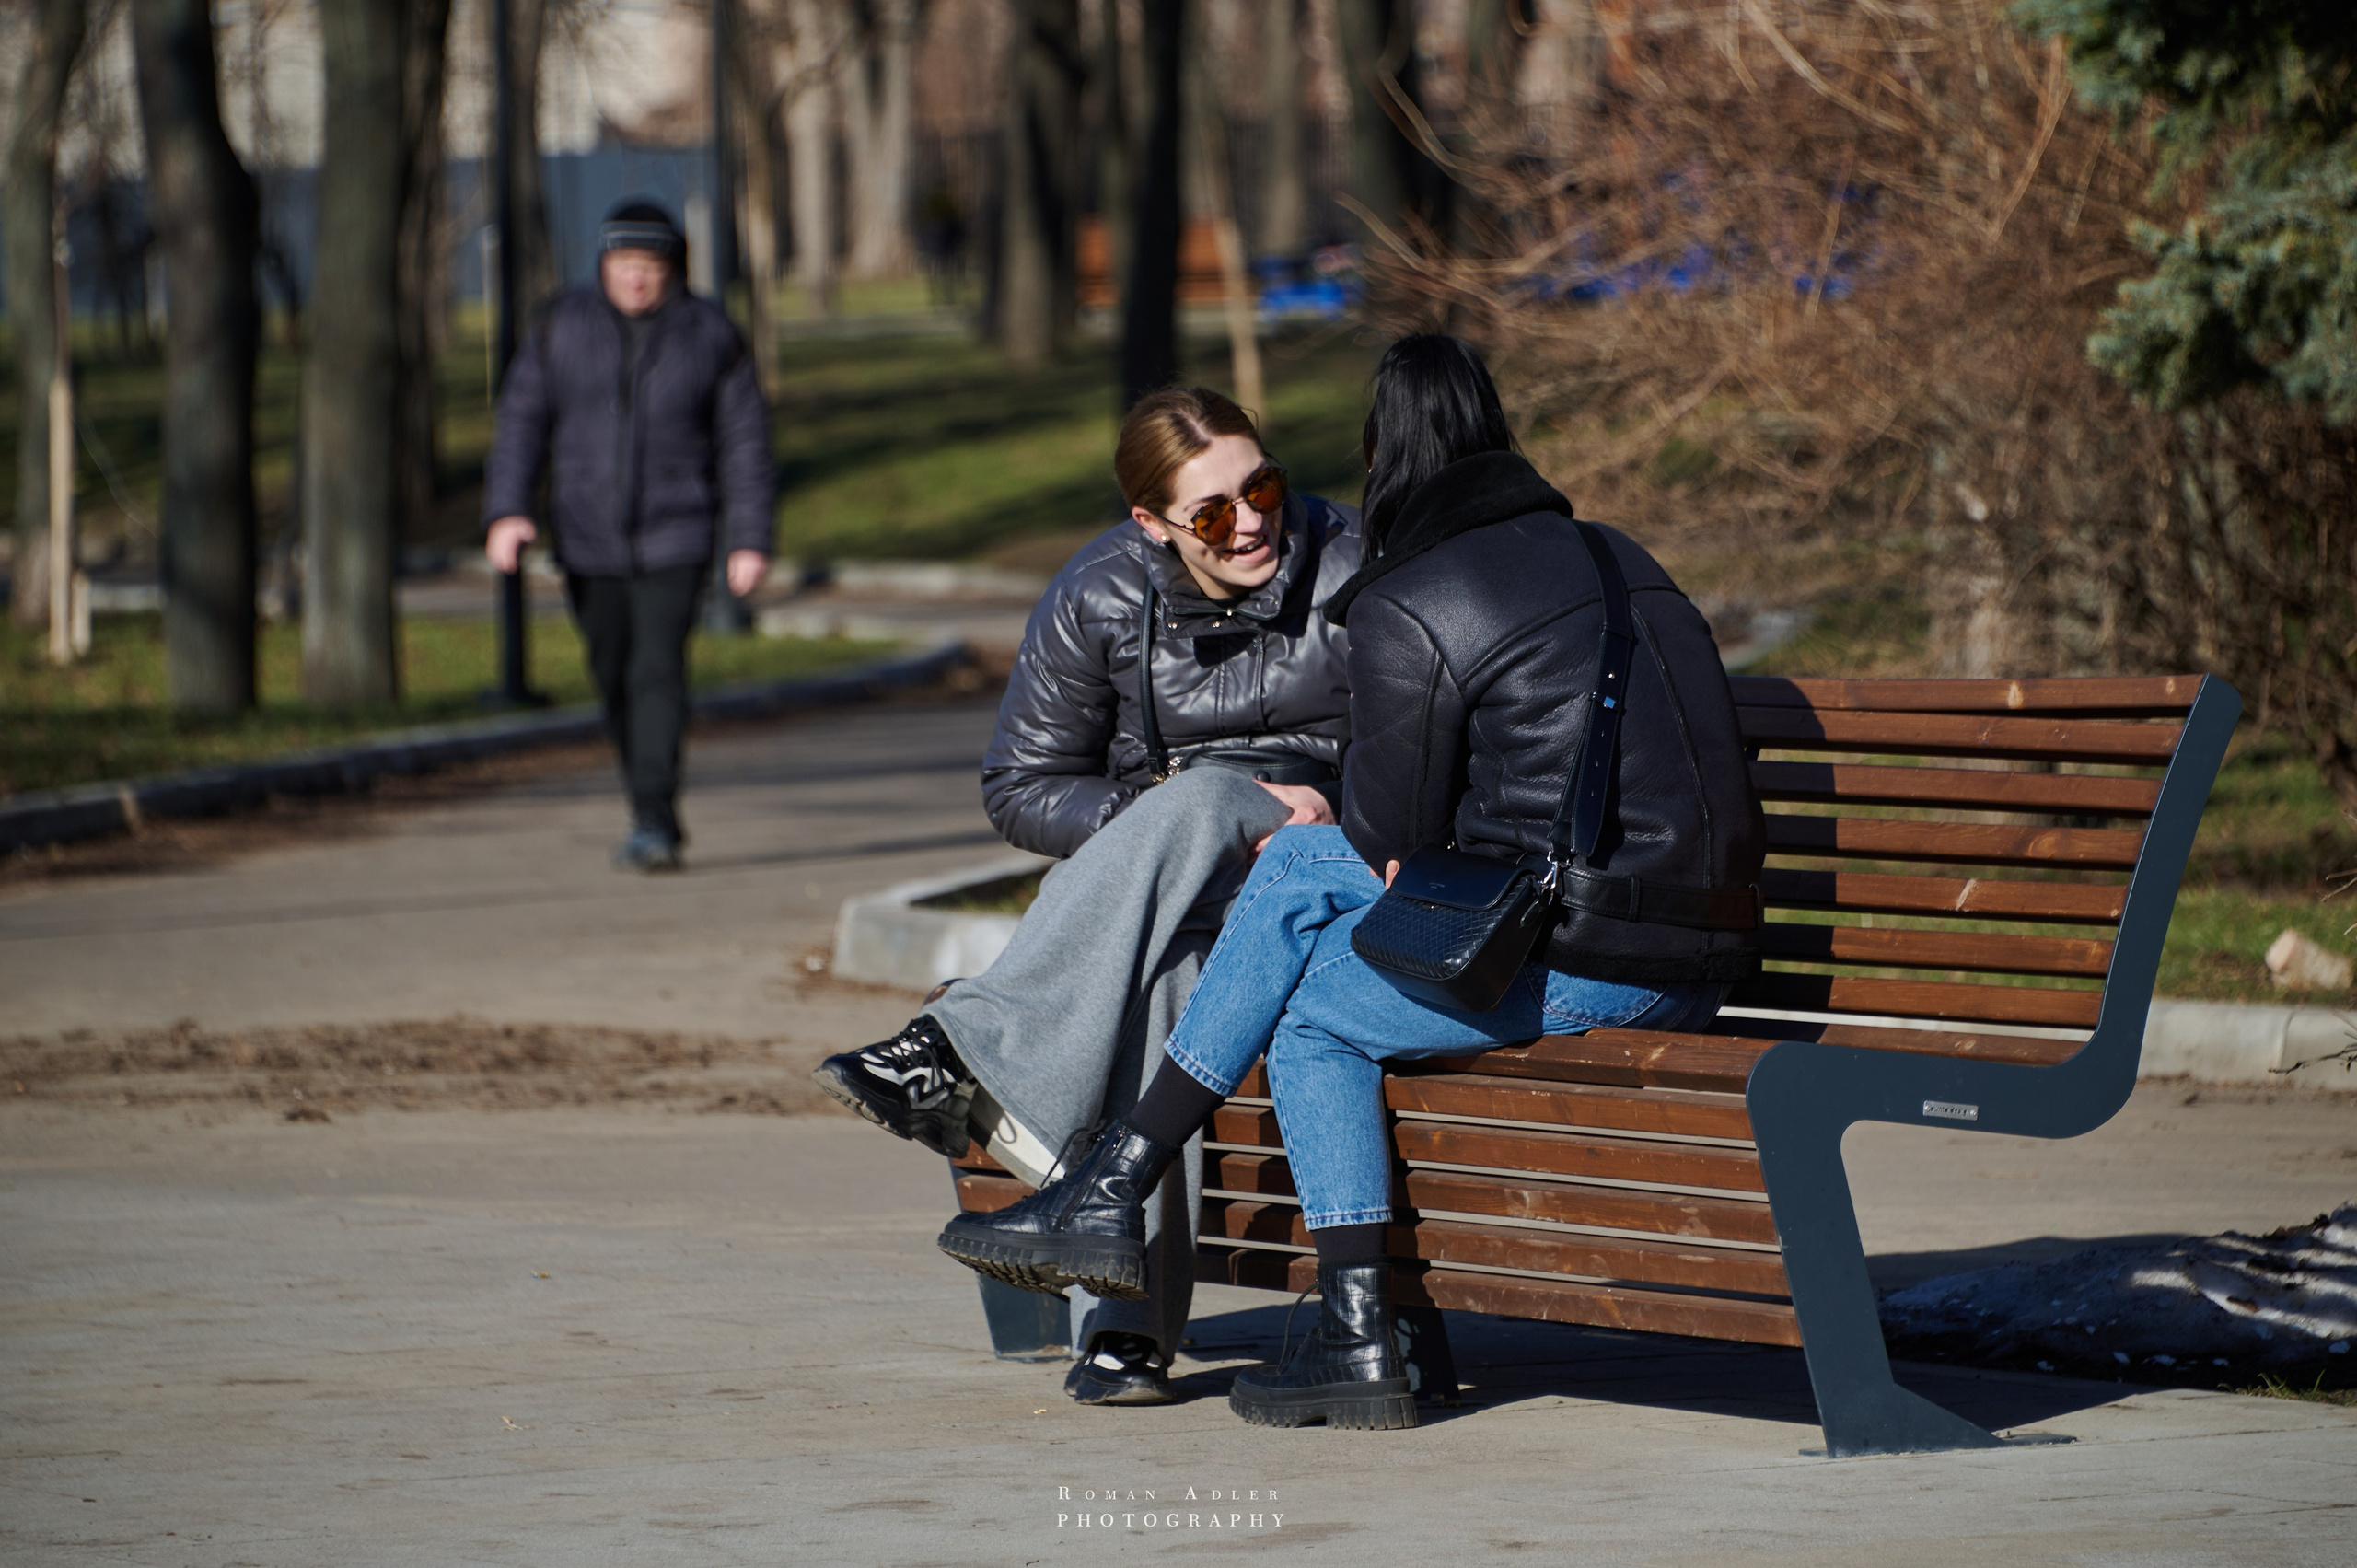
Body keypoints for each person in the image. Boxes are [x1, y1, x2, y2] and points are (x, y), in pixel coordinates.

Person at [934, 335, 1766, 1431]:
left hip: (1594, 966)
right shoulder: (1615, 551)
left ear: (1382, 459)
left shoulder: (1421, 595)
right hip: (1697, 946)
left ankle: (1306, 1300)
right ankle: (1131, 1200)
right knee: (1296, 891)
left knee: (1311, 1010)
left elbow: (1388, 839)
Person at [812, 388, 1361, 1405]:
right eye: (1209, 513)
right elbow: (1019, 788)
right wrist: (1171, 815)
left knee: (1200, 810)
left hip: (1326, 870)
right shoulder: (1099, 592)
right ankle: (1123, 1334)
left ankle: (956, 1047)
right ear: (1150, 523)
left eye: (1262, 487)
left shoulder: (1349, 565)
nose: (1248, 522)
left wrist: (1304, 808)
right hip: (1182, 895)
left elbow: (1423, 742)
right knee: (1164, 967)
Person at [482, 198, 774, 872]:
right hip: (587, 538)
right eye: (623, 264)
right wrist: (507, 511)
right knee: (612, 673)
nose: (636, 278)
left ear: (672, 269)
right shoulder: (562, 327)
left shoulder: (709, 336)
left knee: (656, 671)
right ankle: (647, 805)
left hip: (679, 533)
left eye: (649, 265)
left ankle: (654, 817)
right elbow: (522, 423)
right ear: (604, 265)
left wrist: (749, 538)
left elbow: (746, 443)